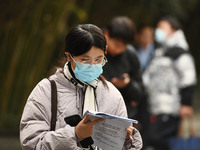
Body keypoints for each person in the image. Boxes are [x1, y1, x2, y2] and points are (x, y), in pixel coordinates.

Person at [19, 24, 143, 150]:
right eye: (85, 60)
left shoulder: (111, 94)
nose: (93, 65)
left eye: (99, 60)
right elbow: (31, 143)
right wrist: (75, 134)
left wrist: (126, 140)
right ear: (69, 56)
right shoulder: (46, 90)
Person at [142, 16, 197, 150]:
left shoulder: (180, 53)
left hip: (171, 107)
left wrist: (186, 103)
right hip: (154, 105)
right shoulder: (159, 52)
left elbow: (188, 78)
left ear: (174, 30)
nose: (158, 31)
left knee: (155, 138)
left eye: (162, 28)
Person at [102, 16, 144, 120]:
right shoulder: (92, 45)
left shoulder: (130, 55)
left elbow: (139, 92)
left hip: (118, 115)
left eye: (124, 46)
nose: (119, 50)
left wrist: (127, 84)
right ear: (106, 34)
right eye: (116, 44)